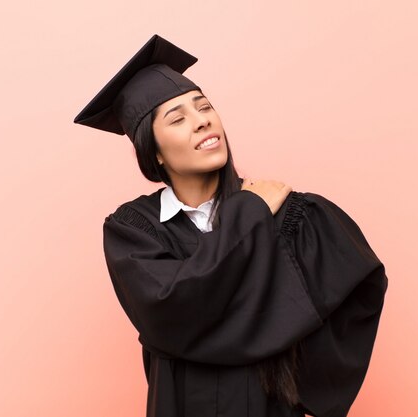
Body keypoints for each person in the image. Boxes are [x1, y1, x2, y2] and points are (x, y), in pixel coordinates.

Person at [74, 34, 388, 417]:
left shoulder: (294, 216)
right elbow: (171, 310)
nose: (202, 120)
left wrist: (299, 389)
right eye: (178, 118)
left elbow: (359, 291)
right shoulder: (134, 231)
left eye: (204, 106)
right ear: (153, 152)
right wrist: (249, 212)